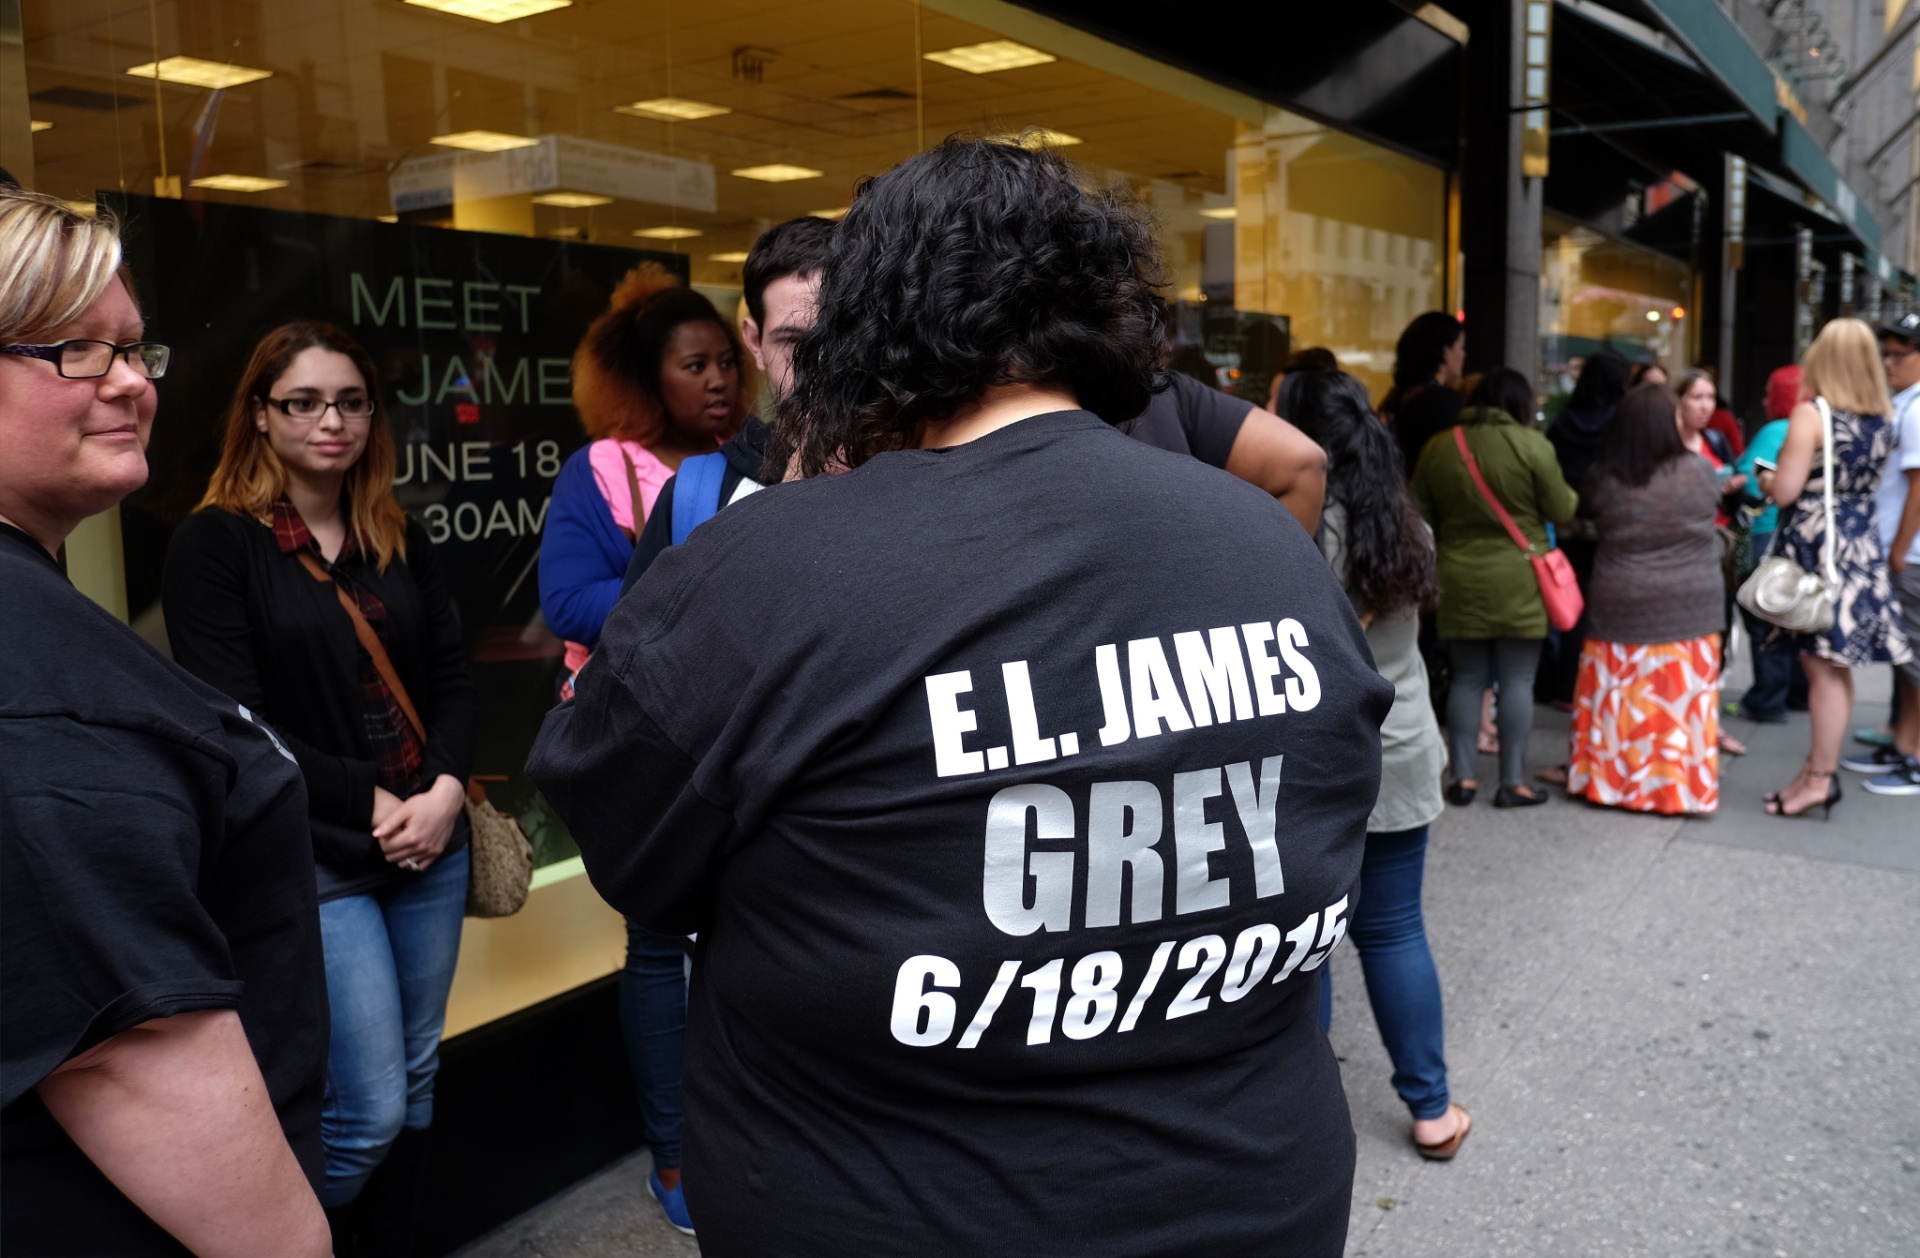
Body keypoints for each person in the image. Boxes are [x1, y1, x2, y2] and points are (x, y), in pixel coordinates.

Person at [530, 137, 1393, 1255]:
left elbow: (620, 830)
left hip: (889, 1208)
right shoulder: (1265, 543)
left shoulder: (776, 565)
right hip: (1257, 1199)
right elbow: (1329, 800)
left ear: (862, 331)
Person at [0, 188, 331, 1256]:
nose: (131, 383)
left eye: (135, 349)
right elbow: (123, 1042)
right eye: (74, 351)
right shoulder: (36, 684)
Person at [162, 320, 478, 1249]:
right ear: (260, 414)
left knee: (418, 1080)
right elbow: (236, 720)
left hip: (431, 842)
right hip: (316, 853)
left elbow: (456, 682)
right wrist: (366, 799)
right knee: (367, 1112)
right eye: (302, 403)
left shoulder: (395, 531)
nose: (329, 421)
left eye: (349, 402)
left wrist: (446, 791)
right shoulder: (216, 546)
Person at [538, 267, 753, 1236]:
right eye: (692, 365)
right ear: (642, 378)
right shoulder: (603, 469)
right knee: (659, 943)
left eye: (725, 362)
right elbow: (565, 598)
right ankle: (673, 1154)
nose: (719, 381)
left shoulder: (762, 458)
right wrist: (687, 600)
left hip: (746, 731)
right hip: (654, 732)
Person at [1282, 369, 1468, 1161]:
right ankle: (1432, 1111)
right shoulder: (1405, 522)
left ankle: (1306, 1121)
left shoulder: (1294, 526)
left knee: (1310, 943)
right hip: (1402, 745)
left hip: (1316, 758)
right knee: (1394, 931)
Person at [621, 215, 831, 594]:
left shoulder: (915, 478)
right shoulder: (699, 496)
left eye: (833, 338)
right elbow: (638, 633)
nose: (813, 365)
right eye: (791, 342)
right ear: (754, 342)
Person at [1760, 317, 1913, 818]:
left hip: (1816, 549)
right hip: (1858, 547)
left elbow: (1786, 490)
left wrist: (1766, 481)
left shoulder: (1812, 415)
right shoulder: (1882, 419)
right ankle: (1813, 773)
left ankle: (1819, 780)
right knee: (1835, 667)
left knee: (1821, 669)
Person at [1412, 366, 1579, 807]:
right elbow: (1562, 508)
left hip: (1458, 576)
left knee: (1467, 678)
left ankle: (1462, 780)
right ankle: (1512, 783)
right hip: (1521, 577)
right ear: (1520, 404)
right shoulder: (1532, 445)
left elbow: (1417, 510)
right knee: (1518, 680)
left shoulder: (1440, 446)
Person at [1566, 383, 1726, 813]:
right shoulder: (1700, 471)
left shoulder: (1603, 477)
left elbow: (1587, 516)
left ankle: (1612, 784)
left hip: (1621, 600)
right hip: (1693, 603)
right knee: (1681, 704)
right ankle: (1677, 789)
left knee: (1619, 698)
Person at [1841, 311, 1920, 794]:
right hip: (1903, 554)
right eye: (1884, 353)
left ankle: (1915, 756)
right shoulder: (1906, 403)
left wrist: (1898, 551)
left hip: (1911, 558)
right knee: (1907, 660)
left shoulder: (1916, 408)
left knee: (1915, 660)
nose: (1888, 362)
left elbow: (1918, 488)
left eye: (1899, 354)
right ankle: (1904, 743)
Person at [1539, 348, 1630, 704]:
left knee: (1571, 605)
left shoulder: (1563, 421)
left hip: (1569, 524)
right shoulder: (1621, 422)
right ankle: (1598, 688)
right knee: (1606, 608)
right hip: (1609, 525)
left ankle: (1567, 687)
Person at [1729, 365, 1807, 723]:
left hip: (1759, 533)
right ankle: (1796, 693)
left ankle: (1766, 699)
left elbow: (1747, 481)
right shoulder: (1815, 428)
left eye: (1769, 392)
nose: (1763, 400)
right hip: (1796, 535)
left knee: (1759, 614)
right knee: (1792, 615)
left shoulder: (1776, 430)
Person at [1381, 311, 1466, 478]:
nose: (1464, 355)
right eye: (1461, 347)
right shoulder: (1445, 403)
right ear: (1445, 352)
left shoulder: (1394, 399)